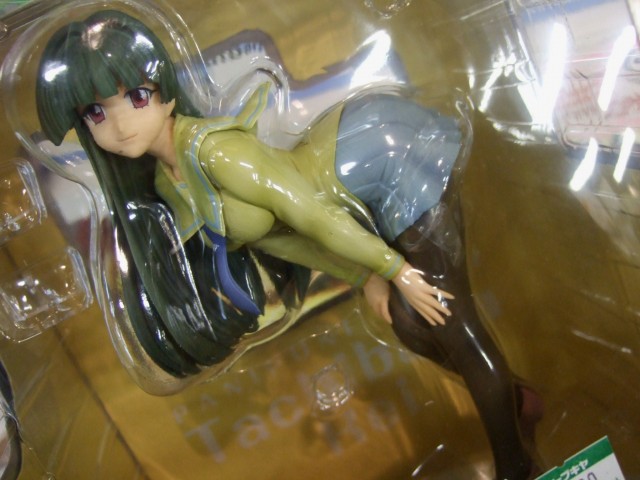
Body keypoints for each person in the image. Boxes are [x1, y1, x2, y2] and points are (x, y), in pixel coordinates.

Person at [35, 10, 540, 478]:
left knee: (452, 322)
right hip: (353, 201)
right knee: (410, 325)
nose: (121, 124)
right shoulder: (172, 184)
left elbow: (311, 215)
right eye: (96, 113)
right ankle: (515, 402)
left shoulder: (217, 152)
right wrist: (365, 276)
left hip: (388, 155)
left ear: (164, 89)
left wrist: (396, 270)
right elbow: (281, 240)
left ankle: (514, 464)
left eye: (137, 97)